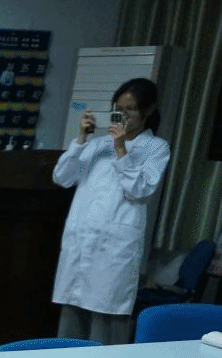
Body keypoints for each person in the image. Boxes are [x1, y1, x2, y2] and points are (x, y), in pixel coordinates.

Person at [52, 77, 171, 344]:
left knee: (106, 318)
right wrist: (81, 139)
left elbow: (140, 189)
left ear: (148, 110)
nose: (123, 116)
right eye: (119, 109)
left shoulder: (156, 148)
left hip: (114, 250)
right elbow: (62, 177)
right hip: (81, 242)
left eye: (131, 109)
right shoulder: (97, 145)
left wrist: (121, 150)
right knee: (72, 317)